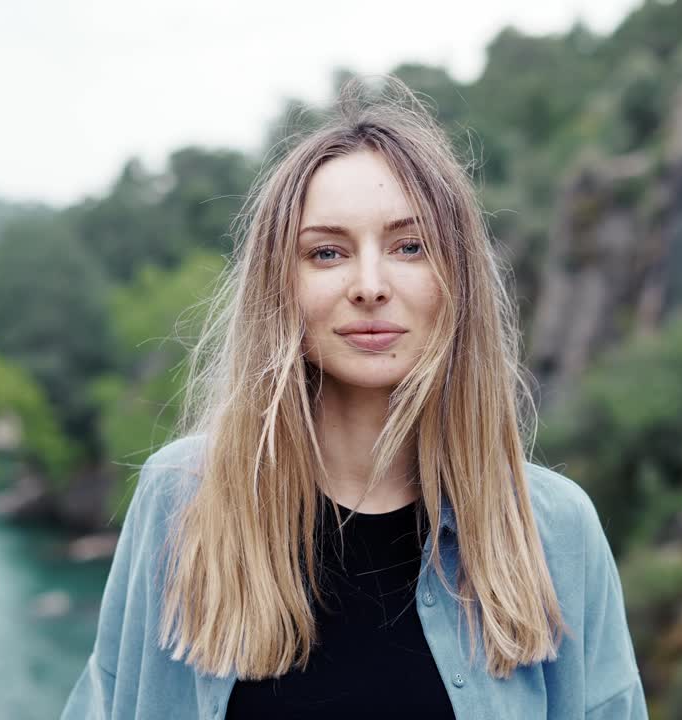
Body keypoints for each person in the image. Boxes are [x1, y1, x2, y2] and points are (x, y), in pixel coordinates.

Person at [61, 77, 646, 720]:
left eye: (410, 247)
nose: (369, 285)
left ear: (457, 279)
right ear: (280, 286)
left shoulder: (555, 528)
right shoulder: (181, 499)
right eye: (327, 252)